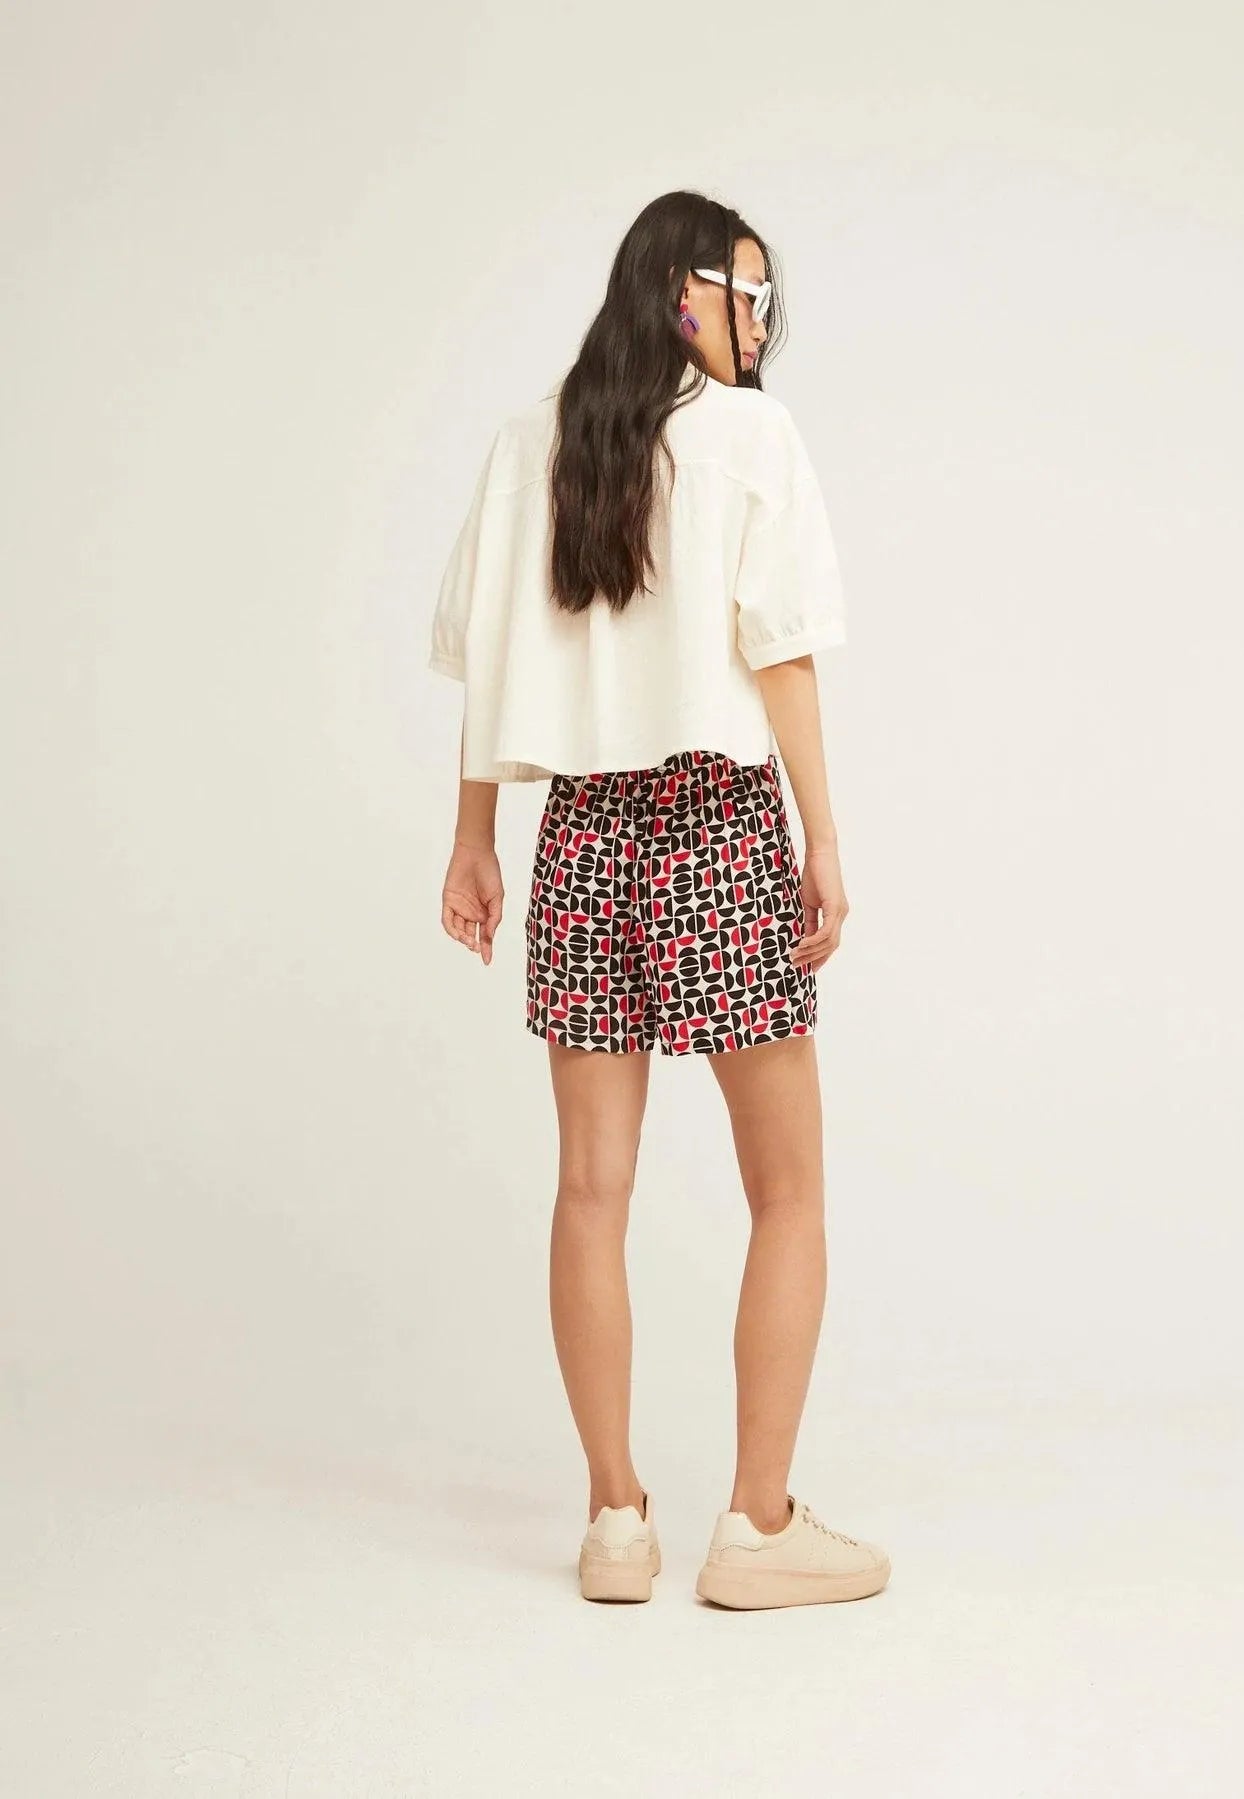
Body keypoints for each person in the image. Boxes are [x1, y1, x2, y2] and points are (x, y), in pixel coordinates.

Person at [428, 190, 890, 1610]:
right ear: (684, 295)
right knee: (790, 1187)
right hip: (717, 828)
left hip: (582, 835)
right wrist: (823, 839)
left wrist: (474, 839)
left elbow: (491, 653)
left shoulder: (534, 442)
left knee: (590, 1187)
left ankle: (615, 1521)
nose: (763, 320)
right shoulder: (751, 437)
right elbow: (784, 653)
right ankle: (757, 1528)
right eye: (750, 293)